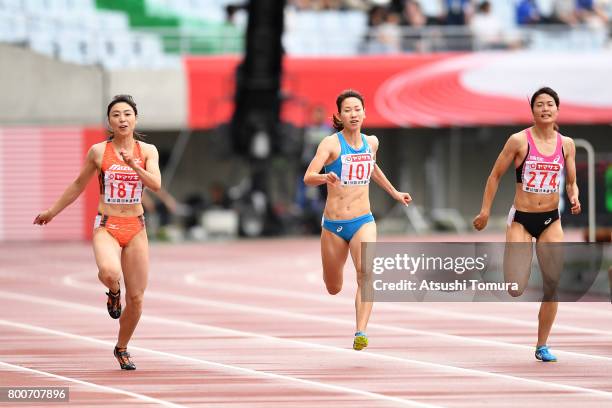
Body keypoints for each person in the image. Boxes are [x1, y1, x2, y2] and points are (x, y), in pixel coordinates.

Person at [34, 95, 161, 370]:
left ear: (135, 119)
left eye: (127, 114)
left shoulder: (148, 150)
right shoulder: (98, 151)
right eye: (116, 115)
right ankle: (113, 291)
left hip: (136, 227)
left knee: (137, 299)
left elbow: (156, 184)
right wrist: (51, 212)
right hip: (108, 225)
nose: (122, 119)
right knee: (109, 272)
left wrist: (134, 165)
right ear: (109, 121)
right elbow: (78, 184)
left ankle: (122, 347)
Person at [473, 87, 581, 362]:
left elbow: (570, 180)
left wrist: (574, 196)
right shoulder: (518, 141)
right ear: (532, 110)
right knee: (515, 288)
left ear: (557, 109)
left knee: (552, 284)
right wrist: (485, 212)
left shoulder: (566, 144)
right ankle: (514, 263)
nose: (545, 109)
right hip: (521, 218)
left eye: (550, 105)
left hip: (550, 219)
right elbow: (495, 176)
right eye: (539, 105)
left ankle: (542, 344)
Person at [303, 89, 412, 350]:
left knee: (367, 273)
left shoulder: (371, 142)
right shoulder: (330, 144)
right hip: (334, 225)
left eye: (357, 109)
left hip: (363, 220)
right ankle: (334, 281)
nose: (353, 114)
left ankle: (360, 331)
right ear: (339, 115)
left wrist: (394, 192)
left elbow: (372, 167)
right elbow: (308, 176)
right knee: (333, 286)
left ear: (364, 113)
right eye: (348, 110)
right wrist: (324, 178)